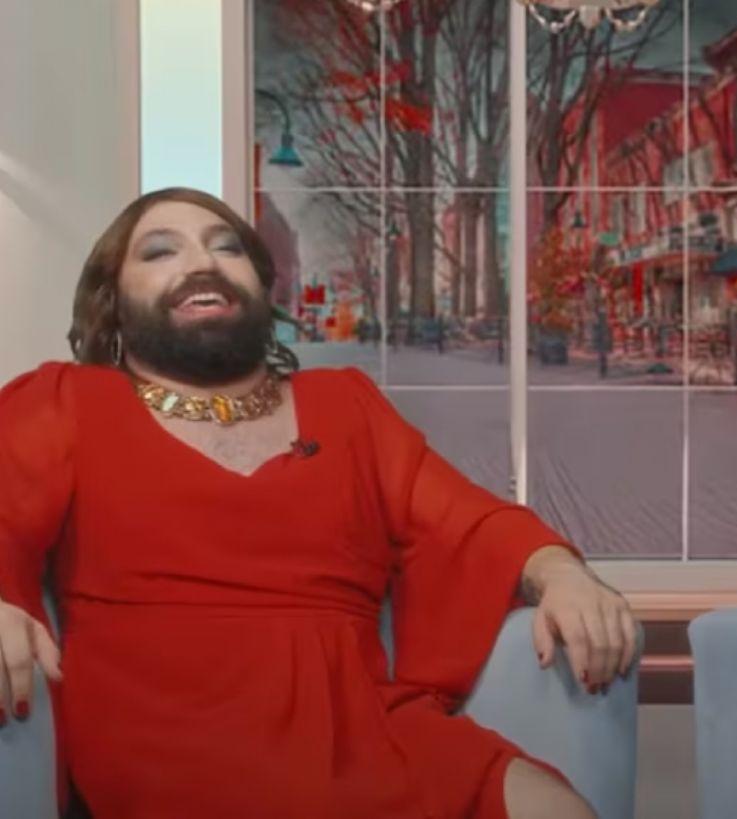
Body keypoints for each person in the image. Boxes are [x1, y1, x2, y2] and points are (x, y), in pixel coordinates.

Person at [0, 188, 637, 819]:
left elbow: (465, 520)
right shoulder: (65, 401)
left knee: (556, 808)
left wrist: (562, 573)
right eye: (161, 251)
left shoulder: (346, 404)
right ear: (112, 300)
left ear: (260, 288)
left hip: (364, 725)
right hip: (165, 729)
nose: (203, 262)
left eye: (227, 248)